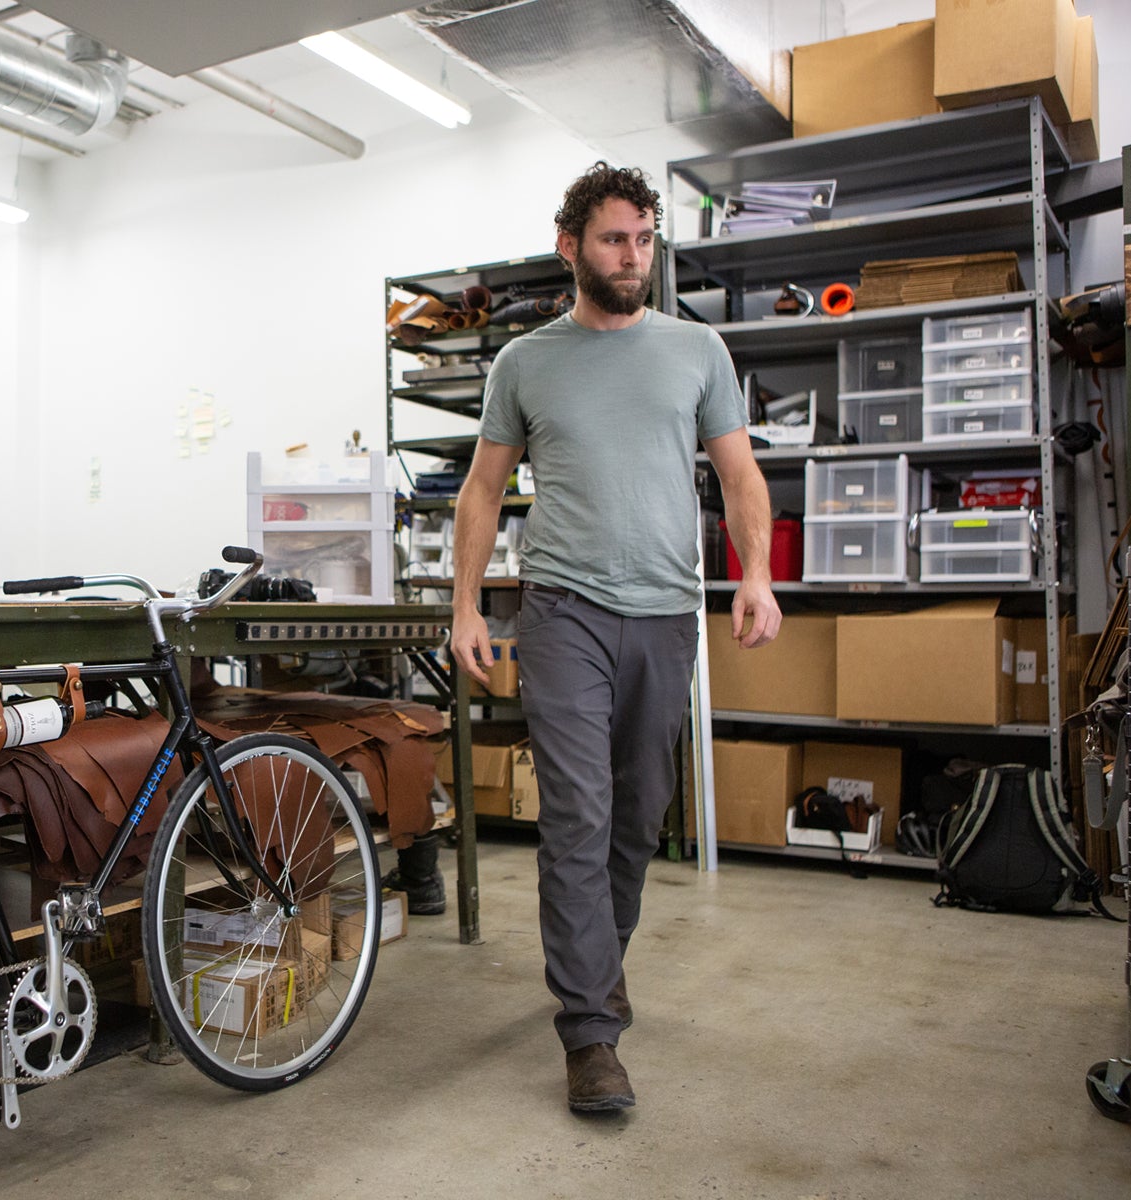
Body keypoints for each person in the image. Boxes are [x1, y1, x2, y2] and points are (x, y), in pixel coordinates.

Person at [448, 161, 780, 1114]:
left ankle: (597, 968)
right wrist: (467, 605)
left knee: (638, 817)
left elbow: (740, 474)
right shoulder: (525, 362)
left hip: (668, 615)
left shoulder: (696, 350)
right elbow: (482, 486)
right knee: (579, 818)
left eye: (643, 239)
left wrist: (754, 575)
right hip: (563, 612)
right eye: (613, 240)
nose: (632, 257)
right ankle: (591, 1032)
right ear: (572, 249)